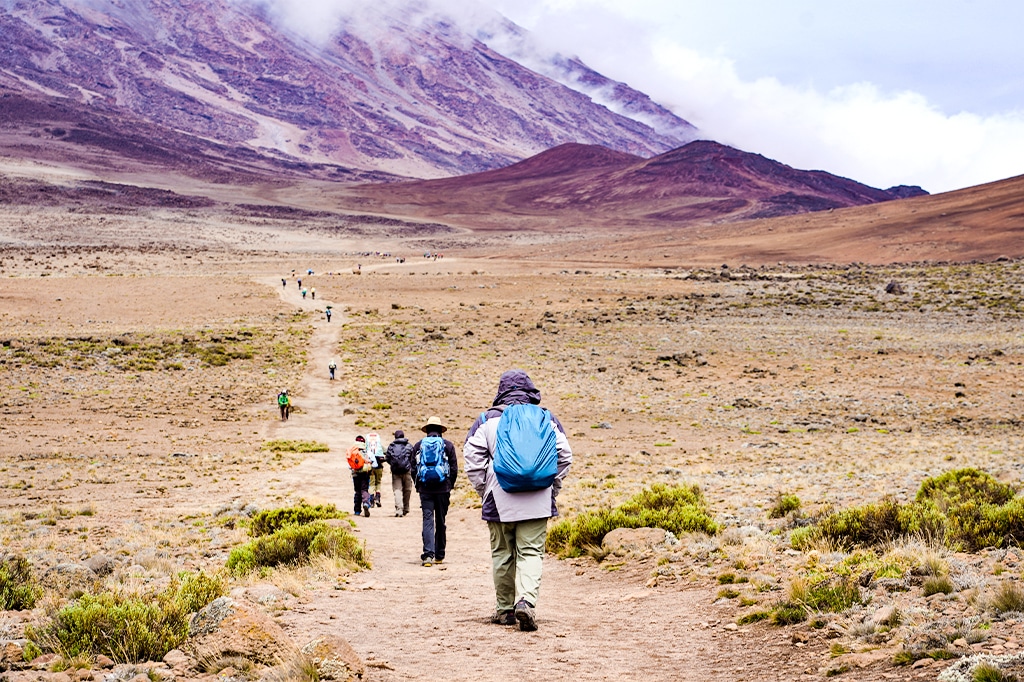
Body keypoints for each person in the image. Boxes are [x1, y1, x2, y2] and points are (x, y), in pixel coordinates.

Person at [463, 370, 572, 632]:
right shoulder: (547, 418)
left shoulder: (486, 420)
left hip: (499, 499)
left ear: (501, 391)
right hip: (538, 498)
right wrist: (551, 487)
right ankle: (526, 601)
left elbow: (472, 459)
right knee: (531, 552)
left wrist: (485, 489)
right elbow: (565, 456)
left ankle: (504, 610)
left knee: (502, 554)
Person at [411, 417, 458, 567]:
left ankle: (428, 555)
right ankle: (439, 554)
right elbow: (454, 469)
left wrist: (418, 485)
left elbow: (413, 468)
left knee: (428, 520)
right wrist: (450, 485)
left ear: (427, 430)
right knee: (441, 521)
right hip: (443, 488)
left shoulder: (418, 446)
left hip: (425, 489)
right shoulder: (448, 445)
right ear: (440, 430)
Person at [385, 429, 414, 517]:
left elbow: (388, 458)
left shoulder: (391, 446)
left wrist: (393, 465)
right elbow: (413, 458)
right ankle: (406, 508)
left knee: (397, 490)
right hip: (407, 471)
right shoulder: (409, 446)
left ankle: (399, 509)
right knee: (407, 490)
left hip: (395, 472)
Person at [349, 436, 372, 516]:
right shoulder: (367, 451)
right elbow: (374, 463)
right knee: (364, 490)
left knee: (357, 491)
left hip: (355, 474)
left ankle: (357, 510)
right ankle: (366, 503)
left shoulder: (353, 451)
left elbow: (349, 465)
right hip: (365, 474)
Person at [366, 432, 385, 508]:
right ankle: (377, 498)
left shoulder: (366, 446)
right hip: (379, 466)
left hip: (371, 466)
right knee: (378, 482)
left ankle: (371, 501)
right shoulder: (380, 446)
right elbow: (386, 451)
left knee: (371, 483)